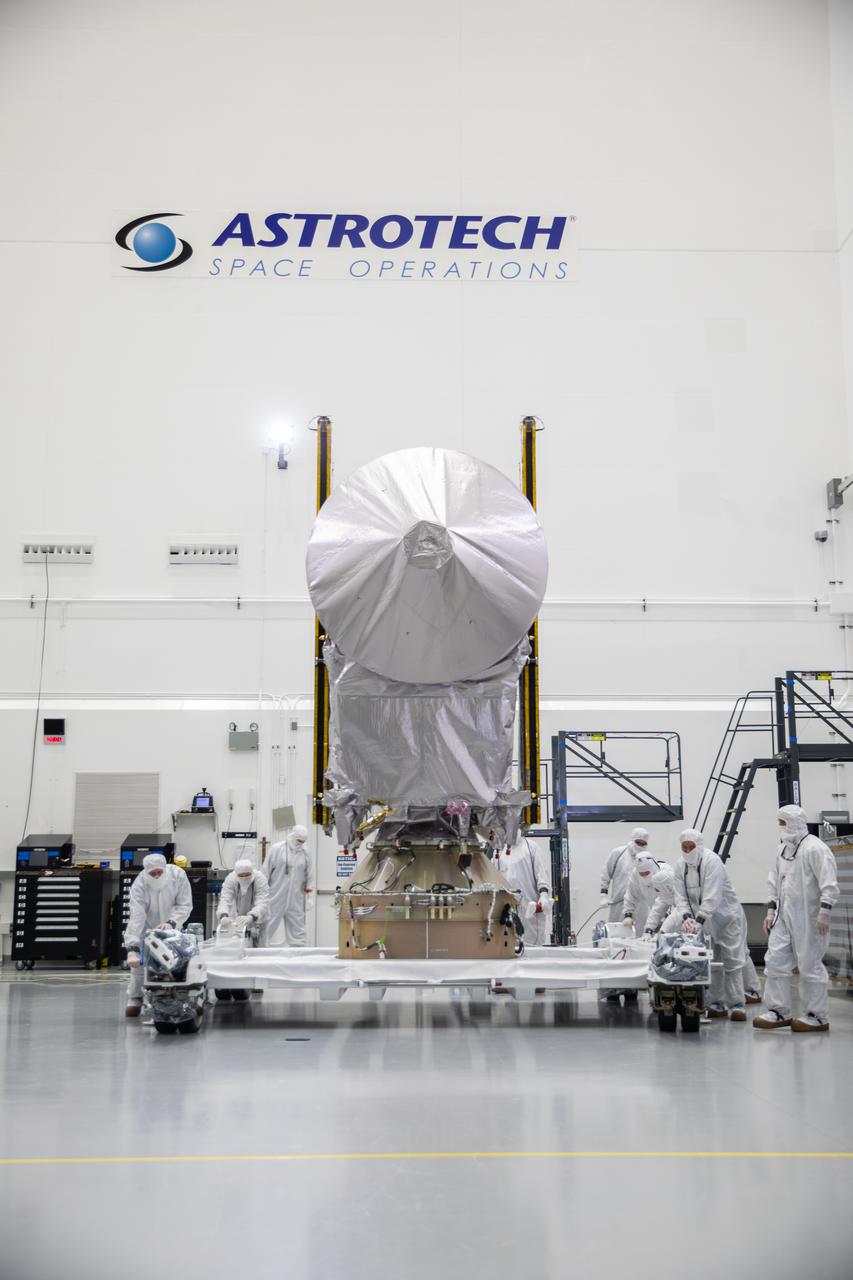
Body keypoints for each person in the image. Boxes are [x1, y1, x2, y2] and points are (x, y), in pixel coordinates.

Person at [754, 805, 839, 1033]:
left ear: (793, 822)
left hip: (810, 918)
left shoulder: (815, 849)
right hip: (783, 915)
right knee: (775, 961)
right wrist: (771, 911)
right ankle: (778, 1011)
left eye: (782, 822)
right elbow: (774, 880)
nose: (780, 827)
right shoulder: (782, 849)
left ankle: (817, 1016)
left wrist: (824, 911)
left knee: (809, 965)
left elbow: (829, 883)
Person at [674, 828, 747, 1022]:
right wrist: (686, 917)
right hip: (704, 920)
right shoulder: (680, 866)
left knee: (732, 961)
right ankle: (717, 1003)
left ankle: (737, 1004)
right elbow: (680, 896)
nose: (688, 850)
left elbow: (712, 895)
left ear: (699, 846)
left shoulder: (712, 861)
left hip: (726, 917)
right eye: (684, 847)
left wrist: (699, 919)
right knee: (711, 960)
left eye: (692, 846)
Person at [123, 853, 192, 1018]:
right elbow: (137, 915)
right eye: (152, 873)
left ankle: (177, 999)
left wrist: (172, 922)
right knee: (140, 966)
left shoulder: (177, 875)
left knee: (175, 963)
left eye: (159, 873)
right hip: (147, 927)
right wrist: (132, 948)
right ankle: (135, 998)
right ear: (146, 872)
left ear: (165, 869)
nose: (156, 876)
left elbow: (184, 904)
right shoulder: (139, 884)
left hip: (172, 927)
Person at [494, 836, 552, 944]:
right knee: (509, 949)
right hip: (508, 912)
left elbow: (542, 875)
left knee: (532, 951)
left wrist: (544, 894)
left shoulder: (531, 847)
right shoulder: (498, 851)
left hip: (530, 912)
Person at [264, 825, 314, 946]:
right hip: (276, 895)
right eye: (298, 841)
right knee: (267, 925)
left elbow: (310, 875)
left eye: (303, 841)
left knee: (298, 928)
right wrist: (262, 896)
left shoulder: (305, 852)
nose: (300, 844)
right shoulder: (277, 849)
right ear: (292, 836)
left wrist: (309, 896)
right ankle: (260, 950)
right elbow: (265, 872)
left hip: (296, 897)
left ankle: (299, 957)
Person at [600, 828, 650, 922]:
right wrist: (603, 894)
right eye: (638, 842)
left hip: (640, 904)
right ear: (632, 839)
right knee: (617, 932)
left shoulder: (647, 858)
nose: (640, 845)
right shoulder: (618, 853)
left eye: (643, 843)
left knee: (639, 933)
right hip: (619, 902)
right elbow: (606, 873)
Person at [217, 859, 271, 943]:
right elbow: (225, 899)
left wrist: (252, 916)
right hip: (239, 920)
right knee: (239, 945)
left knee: (259, 948)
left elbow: (262, 901)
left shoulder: (260, 878)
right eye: (241, 876)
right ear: (236, 874)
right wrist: (223, 915)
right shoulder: (231, 879)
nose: (244, 878)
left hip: (259, 920)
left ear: (252, 873)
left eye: (247, 875)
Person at [623, 855, 673, 935]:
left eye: (646, 873)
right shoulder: (636, 873)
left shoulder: (665, 875)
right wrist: (628, 914)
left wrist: (664, 925)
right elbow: (631, 893)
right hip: (660, 914)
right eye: (642, 874)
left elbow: (674, 912)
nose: (644, 876)